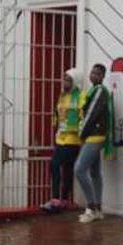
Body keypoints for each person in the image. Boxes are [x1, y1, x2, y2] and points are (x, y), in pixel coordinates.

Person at [75, 64, 115, 223]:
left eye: (97, 74)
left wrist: (82, 134)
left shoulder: (99, 91)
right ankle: (98, 209)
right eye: (92, 72)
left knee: (79, 170)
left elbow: (91, 114)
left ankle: (90, 208)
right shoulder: (92, 90)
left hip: (94, 136)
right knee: (94, 173)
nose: (93, 75)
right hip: (93, 135)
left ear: (103, 77)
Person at [41, 68, 83, 214]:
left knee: (54, 164)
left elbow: (82, 116)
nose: (65, 82)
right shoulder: (62, 95)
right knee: (67, 168)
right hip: (61, 137)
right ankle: (64, 200)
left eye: (68, 80)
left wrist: (81, 134)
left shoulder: (80, 96)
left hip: (72, 138)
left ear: (75, 81)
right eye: (64, 79)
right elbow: (58, 115)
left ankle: (55, 199)